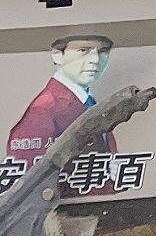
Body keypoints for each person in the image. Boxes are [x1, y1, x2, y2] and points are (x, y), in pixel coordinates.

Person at [7, 35, 115, 168]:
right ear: (57, 55)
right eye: (83, 50)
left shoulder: (88, 102)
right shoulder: (43, 109)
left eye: (103, 51)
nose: (95, 60)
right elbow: (29, 176)